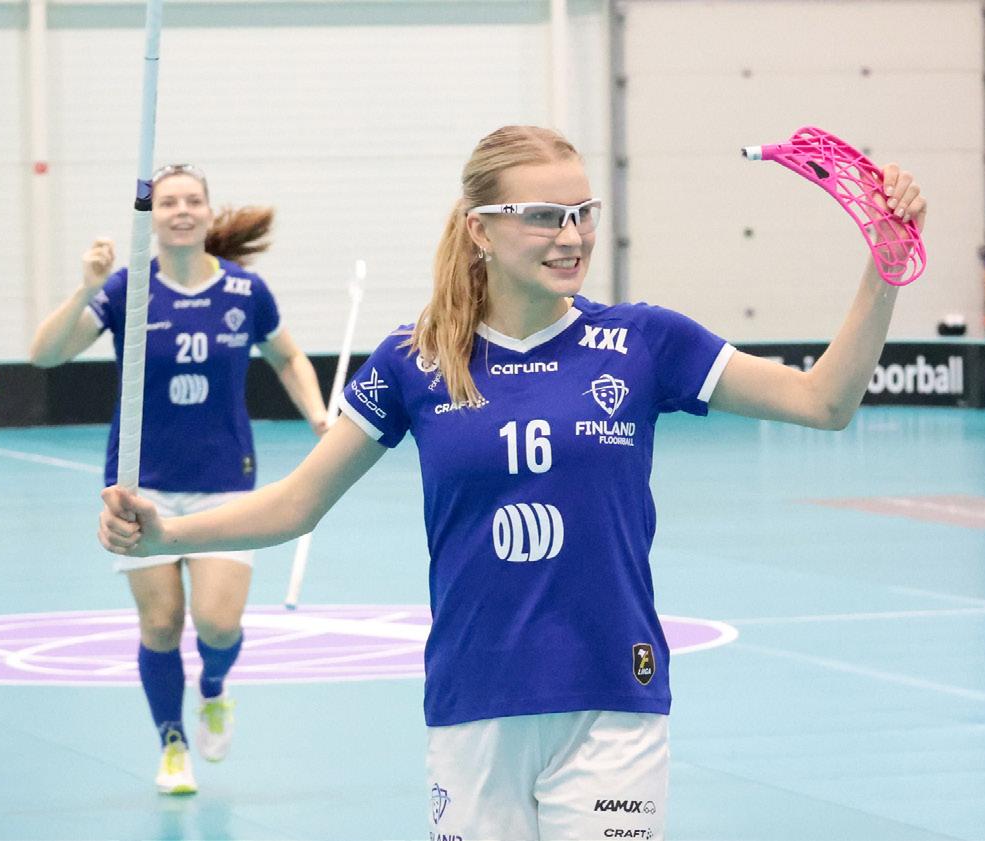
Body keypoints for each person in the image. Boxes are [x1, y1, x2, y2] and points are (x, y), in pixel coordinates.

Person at [96, 126, 926, 835]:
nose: (571, 236)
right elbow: (297, 503)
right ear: (480, 229)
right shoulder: (415, 359)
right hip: (475, 699)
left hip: (611, 695)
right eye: (542, 215)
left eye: (582, 212)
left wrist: (884, 264)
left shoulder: (644, 341)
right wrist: (166, 533)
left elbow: (823, 401)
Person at [32, 163, 330, 794]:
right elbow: (46, 354)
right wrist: (85, 289)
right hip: (139, 485)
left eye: (193, 200)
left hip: (225, 481)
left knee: (217, 625)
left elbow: (288, 356)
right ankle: (172, 742)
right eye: (168, 202)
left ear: (207, 211)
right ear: (153, 217)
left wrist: (316, 413)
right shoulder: (127, 290)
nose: (182, 210)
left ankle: (214, 687)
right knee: (162, 624)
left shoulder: (245, 291)